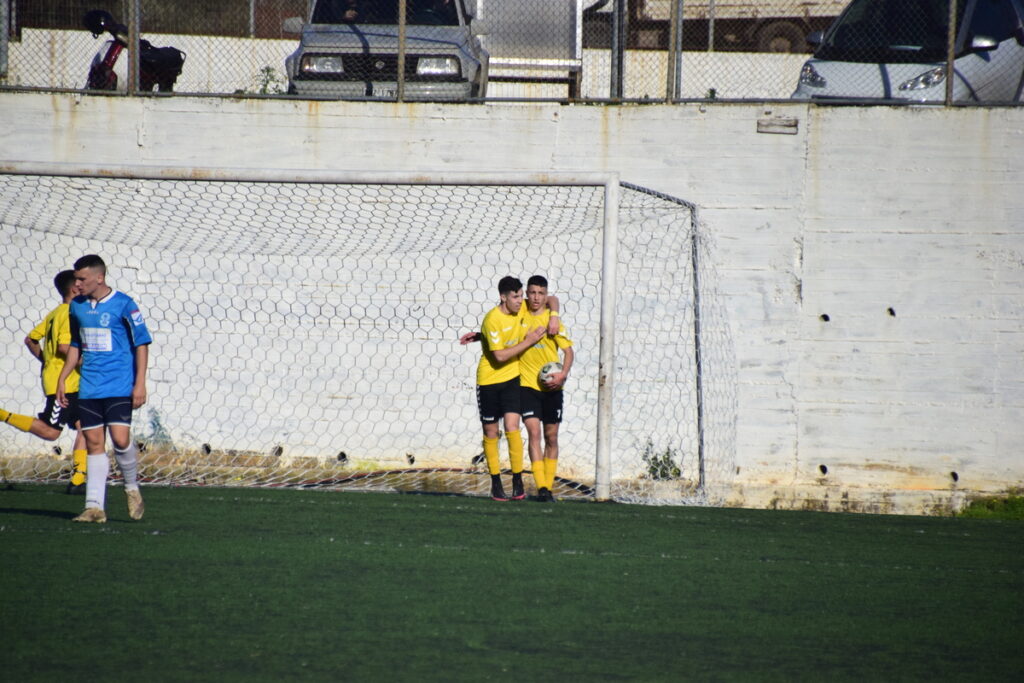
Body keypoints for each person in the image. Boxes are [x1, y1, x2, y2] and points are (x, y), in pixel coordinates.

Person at [57, 254, 152, 523]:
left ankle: (131, 488)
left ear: (99, 278)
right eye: (76, 279)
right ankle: (94, 507)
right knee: (94, 443)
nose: (77, 284)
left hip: (119, 384)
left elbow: (141, 343)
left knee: (120, 440)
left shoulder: (124, 305)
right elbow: (76, 344)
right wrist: (63, 378)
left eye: (82, 279)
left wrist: (140, 383)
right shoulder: (77, 307)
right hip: (89, 386)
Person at [464, 276, 560, 501]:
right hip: (489, 381)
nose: (521, 301)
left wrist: (554, 316)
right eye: (516, 297)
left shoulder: (522, 307)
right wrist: (528, 341)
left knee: (512, 426)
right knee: (491, 432)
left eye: (521, 296)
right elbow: (499, 356)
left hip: (512, 379)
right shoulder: (491, 319)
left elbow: (552, 299)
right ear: (503, 297)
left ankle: (518, 482)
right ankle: (496, 483)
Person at [0, 270, 89, 494]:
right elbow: (64, 347)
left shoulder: (54, 313)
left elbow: (30, 339)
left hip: (70, 382)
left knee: (86, 426)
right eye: (80, 283)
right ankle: (2, 414)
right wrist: (89, 363)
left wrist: (46, 360)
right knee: (51, 432)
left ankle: (78, 479)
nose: (84, 286)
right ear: (74, 288)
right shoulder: (69, 312)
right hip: (63, 384)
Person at [518, 276, 573, 502]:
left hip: (552, 387)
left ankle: (548, 487)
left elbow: (568, 352)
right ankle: (541, 486)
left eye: (541, 293)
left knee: (551, 436)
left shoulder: (553, 321)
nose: (536, 298)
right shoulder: (520, 311)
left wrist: (563, 375)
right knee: (534, 433)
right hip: (527, 385)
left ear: (545, 294)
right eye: (532, 292)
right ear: (526, 294)